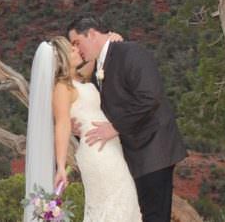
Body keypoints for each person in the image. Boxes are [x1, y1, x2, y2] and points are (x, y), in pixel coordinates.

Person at [67, 16, 187, 222]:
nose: (77, 50)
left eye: (77, 42)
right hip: (130, 155)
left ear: (92, 34)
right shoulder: (95, 67)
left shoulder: (131, 53)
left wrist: (115, 127)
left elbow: (151, 97)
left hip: (153, 149)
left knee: (154, 216)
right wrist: (78, 126)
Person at [25, 34, 142, 222]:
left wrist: (109, 40)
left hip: (111, 150)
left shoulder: (78, 80)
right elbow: (62, 124)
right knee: (116, 204)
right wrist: (61, 166)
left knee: (124, 202)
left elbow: (97, 57)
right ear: (63, 58)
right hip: (98, 154)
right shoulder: (62, 88)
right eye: (71, 50)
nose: (77, 50)